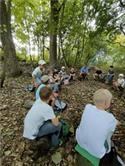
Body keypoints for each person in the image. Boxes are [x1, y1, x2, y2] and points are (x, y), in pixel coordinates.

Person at [76, 89, 118, 164]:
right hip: (97, 152)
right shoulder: (111, 119)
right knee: (109, 144)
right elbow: (108, 137)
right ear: (106, 103)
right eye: (110, 101)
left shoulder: (87, 107)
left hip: (79, 141)